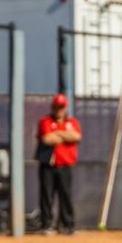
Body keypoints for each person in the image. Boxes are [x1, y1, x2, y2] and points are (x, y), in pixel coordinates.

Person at [35, 93, 82, 235]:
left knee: (65, 195)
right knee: (46, 196)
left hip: (65, 165)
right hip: (48, 165)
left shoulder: (72, 122)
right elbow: (47, 139)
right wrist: (65, 135)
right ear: (53, 107)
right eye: (56, 107)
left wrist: (57, 133)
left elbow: (76, 136)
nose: (59, 110)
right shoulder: (45, 121)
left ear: (65, 107)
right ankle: (47, 225)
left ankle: (67, 225)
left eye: (61, 107)